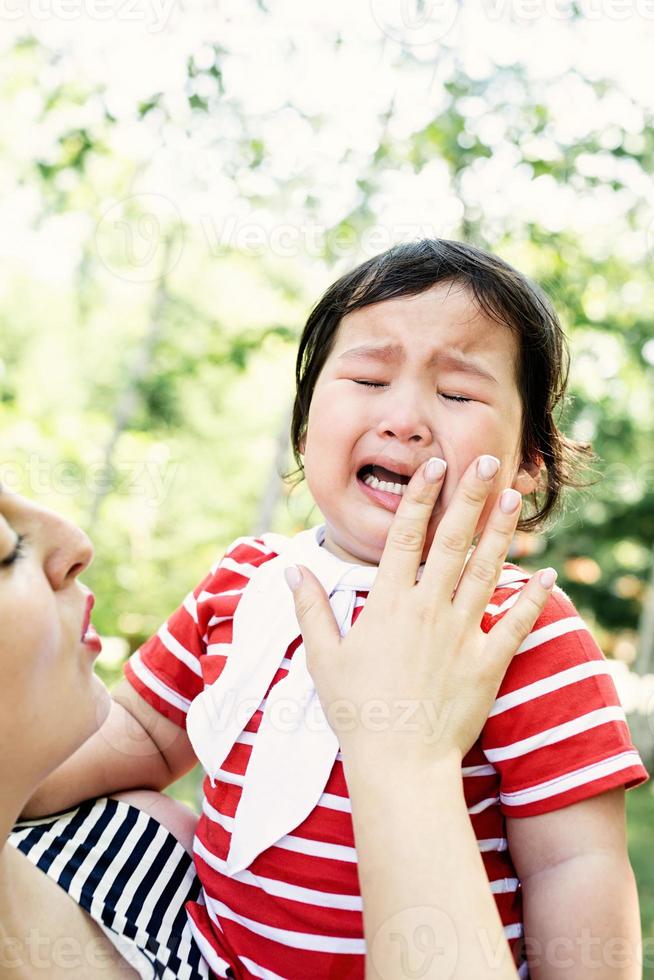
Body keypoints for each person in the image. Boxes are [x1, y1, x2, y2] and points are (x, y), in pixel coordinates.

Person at [13, 239, 646, 978]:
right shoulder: (246, 577)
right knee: (55, 835)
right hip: (210, 953)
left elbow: (571, 864)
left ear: (529, 460)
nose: (404, 418)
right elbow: (146, 737)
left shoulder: (524, 628)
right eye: (370, 378)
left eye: (459, 394)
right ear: (308, 425)